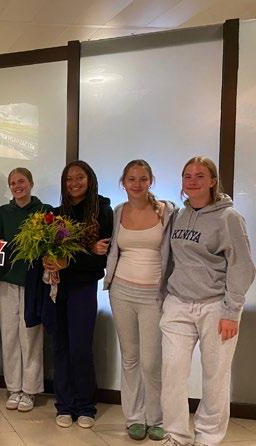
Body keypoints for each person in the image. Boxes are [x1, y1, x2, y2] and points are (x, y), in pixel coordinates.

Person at [161, 157, 255, 446]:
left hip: (216, 306)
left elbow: (242, 266)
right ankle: (176, 434)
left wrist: (232, 311)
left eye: (200, 175)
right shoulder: (178, 215)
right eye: (187, 175)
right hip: (178, 303)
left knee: (215, 375)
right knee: (172, 371)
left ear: (213, 181)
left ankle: (208, 437)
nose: (192, 181)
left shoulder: (229, 218)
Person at [103, 159, 175, 441]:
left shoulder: (166, 211)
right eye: (131, 179)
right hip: (121, 292)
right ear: (123, 182)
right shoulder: (118, 211)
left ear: (150, 181)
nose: (137, 184)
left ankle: (156, 418)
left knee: (151, 361)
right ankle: (134, 417)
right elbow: (112, 248)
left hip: (153, 295)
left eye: (142, 179)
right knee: (130, 357)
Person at [43, 160, 113, 429]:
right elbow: (50, 252)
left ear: (89, 179)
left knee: (80, 348)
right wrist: (49, 260)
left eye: (79, 177)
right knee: (60, 346)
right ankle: (64, 405)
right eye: (69, 179)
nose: (74, 183)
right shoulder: (55, 214)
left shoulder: (102, 211)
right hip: (58, 288)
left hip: (83, 288)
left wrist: (68, 261)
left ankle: (85, 406)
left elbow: (101, 260)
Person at [0, 167, 51, 412]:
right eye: (13, 183)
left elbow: (50, 245)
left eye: (22, 181)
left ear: (31, 183)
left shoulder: (44, 211)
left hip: (33, 283)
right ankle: (14, 388)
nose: (17, 186)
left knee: (31, 336)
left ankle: (30, 390)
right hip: (7, 280)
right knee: (9, 336)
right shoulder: (3, 212)